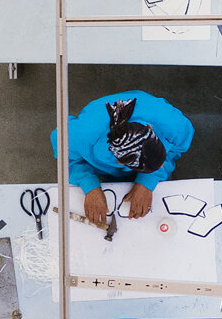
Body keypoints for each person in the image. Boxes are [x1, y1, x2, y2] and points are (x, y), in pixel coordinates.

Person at [53, 90, 193, 227]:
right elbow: (66, 158)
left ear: (150, 128)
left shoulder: (174, 124)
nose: (162, 166)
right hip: (98, 153)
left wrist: (148, 180)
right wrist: (90, 186)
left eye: (161, 159)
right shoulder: (77, 136)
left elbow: (176, 148)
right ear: (119, 162)